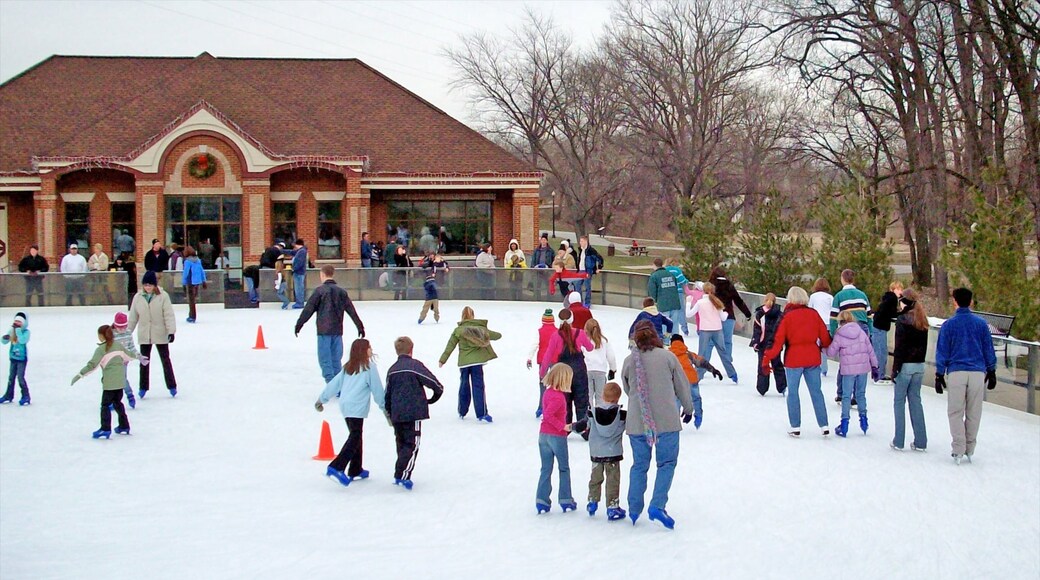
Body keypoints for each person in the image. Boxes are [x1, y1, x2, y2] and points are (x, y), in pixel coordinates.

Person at [622, 320, 695, 529]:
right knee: (666, 464)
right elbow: (681, 385)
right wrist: (688, 409)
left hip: (637, 422)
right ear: (656, 336)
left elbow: (628, 388)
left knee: (639, 465)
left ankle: (634, 508)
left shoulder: (629, 361)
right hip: (667, 421)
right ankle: (657, 504)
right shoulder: (668, 357)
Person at [934, 287, 997, 465]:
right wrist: (991, 370)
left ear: (954, 301)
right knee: (974, 412)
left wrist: (939, 373)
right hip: (977, 372)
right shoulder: (981, 324)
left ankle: (958, 447)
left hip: (956, 372)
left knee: (955, 412)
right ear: (971, 302)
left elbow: (942, 351)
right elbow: (988, 348)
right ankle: (970, 447)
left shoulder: (949, 325)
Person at [762, 286, 833, 437]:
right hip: (813, 357)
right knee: (816, 392)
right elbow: (825, 338)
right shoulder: (813, 314)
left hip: (794, 358)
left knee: (793, 393)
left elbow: (777, 341)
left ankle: (795, 426)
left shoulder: (787, 316)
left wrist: (766, 358)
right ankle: (824, 424)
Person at [315, 338, 385, 486]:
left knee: (356, 434)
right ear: (363, 351)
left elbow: (334, 384)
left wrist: (322, 399)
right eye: (369, 347)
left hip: (345, 406)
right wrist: (385, 408)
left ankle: (355, 469)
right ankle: (336, 466)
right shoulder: (369, 367)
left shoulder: (348, 367)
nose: (371, 349)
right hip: (356, 407)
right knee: (355, 436)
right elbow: (377, 390)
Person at [385, 336, 444, 490]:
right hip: (413, 412)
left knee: (401, 442)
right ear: (411, 350)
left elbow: (387, 394)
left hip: (397, 412)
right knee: (412, 443)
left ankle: (400, 471)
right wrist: (433, 398)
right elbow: (434, 383)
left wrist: (389, 413)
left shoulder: (392, 369)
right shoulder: (414, 365)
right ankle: (402, 475)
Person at [70, 325, 145, 439]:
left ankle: (105, 428)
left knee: (105, 405)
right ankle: (124, 426)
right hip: (120, 382)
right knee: (118, 403)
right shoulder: (118, 346)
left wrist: (79, 375)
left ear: (102, 336)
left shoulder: (101, 350)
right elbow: (129, 355)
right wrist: (140, 357)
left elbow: (92, 365)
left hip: (109, 383)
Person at [295, 265, 366, 383]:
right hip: (337, 330)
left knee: (325, 359)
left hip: (324, 331)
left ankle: (332, 383)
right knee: (336, 359)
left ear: (322, 275)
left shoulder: (319, 291)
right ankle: (337, 384)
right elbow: (351, 310)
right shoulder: (341, 292)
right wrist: (359, 326)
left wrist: (299, 324)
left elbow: (309, 309)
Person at [438, 307, 502, 422]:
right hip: (477, 362)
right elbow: (497, 336)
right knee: (478, 386)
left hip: (464, 363)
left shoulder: (458, 330)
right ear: (473, 316)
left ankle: (462, 411)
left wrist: (443, 359)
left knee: (464, 386)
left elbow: (450, 346)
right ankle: (482, 413)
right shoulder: (481, 329)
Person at [540, 308, 594, 434]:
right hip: (579, 371)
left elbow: (548, 355)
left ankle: (566, 428)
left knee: (565, 401)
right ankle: (584, 429)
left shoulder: (556, 336)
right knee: (582, 400)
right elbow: (590, 348)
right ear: (572, 320)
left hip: (563, 373)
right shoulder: (580, 333)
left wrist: (542, 372)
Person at [826, 311, 879, 437]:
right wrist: (875, 366)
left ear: (840, 321)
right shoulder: (861, 332)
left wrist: (823, 347)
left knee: (846, 396)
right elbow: (870, 350)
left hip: (848, 370)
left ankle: (844, 424)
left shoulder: (840, 334)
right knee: (860, 394)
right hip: (863, 368)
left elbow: (831, 353)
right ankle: (864, 421)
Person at [535, 362, 578, 514]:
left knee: (546, 468)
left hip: (543, 436)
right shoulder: (559, 397)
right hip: (556, 437)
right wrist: (563, 426)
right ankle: (565, 499)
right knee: (563, 468)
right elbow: (548, 415)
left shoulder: (547, 392)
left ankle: (542, 500)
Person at [128, 270, 177, 399]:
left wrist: (171, 331)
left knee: (165, 360)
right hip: (145, 333)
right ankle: (143, 387)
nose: (148, 287)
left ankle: (172, 386)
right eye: (146, 285)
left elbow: (168, 314)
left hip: (160, 333)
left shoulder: (163, 296)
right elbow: (133, 317)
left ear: (155, 285)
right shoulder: (138, 297)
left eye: (150, 285)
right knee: (144, 361)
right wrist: (127, 332)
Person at [891, 288, 929, 452]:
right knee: (915, 402)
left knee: (899, 402)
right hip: (919, 365)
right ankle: (921, 441)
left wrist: (895, 370)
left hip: (905, 365)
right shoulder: (923, 320)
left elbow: (900, 347)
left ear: (904, 301)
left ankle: (899, 440)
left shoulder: (902, 319)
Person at [583, 381, 627, 521]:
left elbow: (584, 425)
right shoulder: (622, 415)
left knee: (595, 478)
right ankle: (612, 507)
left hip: (596, 452)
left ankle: (592, 501)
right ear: (617, 398)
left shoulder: (592, 413)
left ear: (602, 395)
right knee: (612, 480)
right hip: (613, 453)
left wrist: (572, 427)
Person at [829, 269, 872, 403]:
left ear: (842, 279)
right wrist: (869, 333)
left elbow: (833, 318)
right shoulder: (862, 295)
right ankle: (857, 395)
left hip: (846, 329)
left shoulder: (839, 296)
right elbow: (869, 316)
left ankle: (841, 393)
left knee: (846, 362)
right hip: (862, 329)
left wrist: (833, 334)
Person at [687, 282, 738, 383]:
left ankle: (698, 376)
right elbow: (723, 318)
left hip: (705, 330)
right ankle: (732, 374)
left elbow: (689, 314)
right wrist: (726, 313)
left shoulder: (700, 303)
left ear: (703, 291)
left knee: (702, 353)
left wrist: (688, 303)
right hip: (717, 330)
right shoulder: (716, 302)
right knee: (723, 352)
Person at [668, 334, 720, 429]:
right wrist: (713, 369)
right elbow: (702, 362)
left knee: (677, 400)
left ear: (671, 343)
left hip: (678, 382)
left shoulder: (669, 355)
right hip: (692, 380)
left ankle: (674, 422)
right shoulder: (688, 354)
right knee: (696, 399)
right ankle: (698, 416)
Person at [709, 266, 753, 363]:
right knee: (727, 341)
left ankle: (704, 361)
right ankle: (727, 360)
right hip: (729, 316)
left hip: (715, 317)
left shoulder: (711, 285)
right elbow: (738, 301)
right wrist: (747, 314)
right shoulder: (729, 285)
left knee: (711, 341)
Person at [750, 293, 788, 396]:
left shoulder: (760, 313)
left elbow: (757, 330)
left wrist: (755, 342)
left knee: (763, 366)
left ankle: (762, 388)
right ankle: (782, 386)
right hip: (775, 344)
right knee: (777, 365)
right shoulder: (780, 314)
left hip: (763, 344)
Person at [871, 281, 904, 383]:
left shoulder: (888, 298)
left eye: (901, 289)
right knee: (881, 352)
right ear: (892, 289)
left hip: (878, 326)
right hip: (880, 328)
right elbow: (892, 313)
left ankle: (879, 374)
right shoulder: (892, 299)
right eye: (897, 289)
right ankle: (879, 375)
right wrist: (903, 312)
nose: (900, 291)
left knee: (880, 351)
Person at [527, 309, 557, 418]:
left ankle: (541, 407)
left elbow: (535, 345)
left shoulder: (539, 331)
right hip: (555, 360)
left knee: (542, 384)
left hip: (543, 360)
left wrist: (529, 358)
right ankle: (553, 407)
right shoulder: (557, 331)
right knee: (555, 384)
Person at [582, 319, 617, 406]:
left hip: (587, 370)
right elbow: (611, 357)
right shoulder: (604, 341)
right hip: (600, 371)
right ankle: (599, 415)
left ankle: (589, 415)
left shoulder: (584, 341)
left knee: (588, 396)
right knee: (600, 397)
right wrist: (613, 369)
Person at [648, 258, 682, 342]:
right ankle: (676, 344)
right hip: (675, 303)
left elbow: (652, 291)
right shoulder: (670, 274)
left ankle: (665, 343)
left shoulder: (654, 276)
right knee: (675, 326)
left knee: (664, 326)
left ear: (654, 265)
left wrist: (654, 302)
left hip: (663, 305)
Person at [112, 312, 141, 409]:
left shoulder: (128, 334)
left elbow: (131, 347)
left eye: (124, 327)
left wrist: (138, 356)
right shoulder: (111, 334)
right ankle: (111, 400)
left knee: (122, 379)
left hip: (123, 362)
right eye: (120, 328)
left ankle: (129, 394)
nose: (122, 330)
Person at [1, 312, 31, 405]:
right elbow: (4, 342)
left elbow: (22, 340)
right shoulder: (12, 330)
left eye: (19, 322)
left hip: (21, 359)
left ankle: (26, 396)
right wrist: (5, 338)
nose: (17, 323)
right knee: (11, 377)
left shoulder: (26, 332)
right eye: (16, 321)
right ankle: (8, 395)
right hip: (13, 358)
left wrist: (17, 330)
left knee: (20, 377)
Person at [807, 277, 834, 376]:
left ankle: (817, 366)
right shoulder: (830, 297)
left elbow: (810, 310)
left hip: (816, 323)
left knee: (816, 345)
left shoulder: (813, 296)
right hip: (827, 323)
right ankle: (824, 368)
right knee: (825, 346)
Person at [574, 236, 603, 307]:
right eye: (580, 241)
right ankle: (579, 301)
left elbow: (599, 258)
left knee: (587, 287)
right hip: (581, 270)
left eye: (582, 241)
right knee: (577, 285)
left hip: (588, 271)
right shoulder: (581, 250)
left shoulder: (591, 251)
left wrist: (599, 267)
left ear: (586, 241)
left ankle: (587, 302)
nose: (580, 243)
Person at [663, 258, 691, 335]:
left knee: (668, 311)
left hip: (667, 293)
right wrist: (686, 282)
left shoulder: (664, 270)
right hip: (677, 292)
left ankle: (667, 329)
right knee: (681, 310)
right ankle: (684, 328)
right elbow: (682, 281)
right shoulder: (676, 270)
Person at [181, 246, 207, 323]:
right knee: (193, 299)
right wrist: (204, 281)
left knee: (191, 300)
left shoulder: (187, 261)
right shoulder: (198, 260)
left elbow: (185, 273)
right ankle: (192, 315)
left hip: (190, 281)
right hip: (197, 282)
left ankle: (192, 316)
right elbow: (202, 271)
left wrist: (183, 282)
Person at [289, 238, 307, 308]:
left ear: (297, 244)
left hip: (299, 273)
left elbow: (300, 262)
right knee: (298, 288)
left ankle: (299, 303)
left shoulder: (302, 251)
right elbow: (291, 252)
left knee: (298, 288)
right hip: (299, 272)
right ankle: (299, 302)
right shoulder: (300, 251)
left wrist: (294, 269)